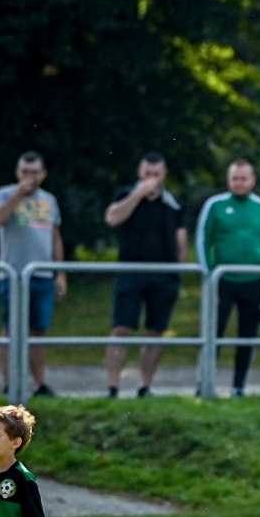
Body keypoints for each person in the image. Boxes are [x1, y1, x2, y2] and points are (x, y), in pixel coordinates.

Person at [195, 159, 260, 397]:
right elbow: (203, 239)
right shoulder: (215, 205)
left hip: (254, 281)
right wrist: (209, 273)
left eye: (243, 178)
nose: (239, 183)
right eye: (235, 178)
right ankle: (204, 384)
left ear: (253, 180)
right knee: (213, 333)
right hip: (222, 280)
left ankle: (238, 387)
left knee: (247, 335)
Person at [104, 153, 187, 398]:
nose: (151, 178)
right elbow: (112, 218)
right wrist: (138, 195)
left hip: (164, 275)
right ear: (139, 173)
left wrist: (179, 272)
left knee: (155, 332)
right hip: (130, 272)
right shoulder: (125, 195)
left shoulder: (172, 203)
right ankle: (112, 387)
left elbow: (181, 240)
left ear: (164, 175)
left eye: (156, 174)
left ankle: (144, 386)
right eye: (147, 173)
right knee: (121, 329)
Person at [0, 151, 66, 397]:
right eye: (24, 171)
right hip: (14, 275)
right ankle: (9, 384)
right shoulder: (4, 194)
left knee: (38, 331)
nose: (29, 176)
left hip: (42, 275)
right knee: (10, 329)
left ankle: (39, 383)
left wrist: (60, 273)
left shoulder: (49, 200)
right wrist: (18, 194)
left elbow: (55, 237)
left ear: (43, 174)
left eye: (34, 172)